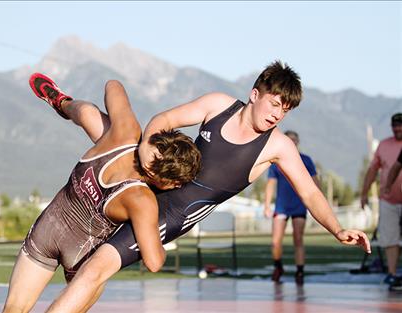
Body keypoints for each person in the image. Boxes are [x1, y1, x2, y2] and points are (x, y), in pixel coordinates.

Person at [41, 61, 370, 313]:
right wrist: (145, 152)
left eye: (285, 110)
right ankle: (62, 102)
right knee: (107, 126)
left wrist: (336, 229)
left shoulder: (278, 147)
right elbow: (162, 120)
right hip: (156, 171)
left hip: (168, 212)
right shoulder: (218, 104)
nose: (277, 115)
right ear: (255, 95)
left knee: (93, 271)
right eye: (274, 103)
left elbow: (309, 191)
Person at [2, 74, 201, 313]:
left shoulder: (126, 132)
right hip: (82, 257)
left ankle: (62, 103)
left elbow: (113, 84)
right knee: (91, 279)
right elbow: (154, 262)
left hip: (47, 230)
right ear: (167, 181)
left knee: (89, 114)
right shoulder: (142, 201)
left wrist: (142, 138)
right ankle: (63, 104)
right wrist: (165, 232)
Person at [264, 130, 318, 285]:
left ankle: (300, 271)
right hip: (281, 206)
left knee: (298, 238)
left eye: (295, 140)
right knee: (275, 241)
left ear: (298, 142)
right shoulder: (276, 160)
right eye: (290, 140)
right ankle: (278, 266)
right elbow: (271, 183)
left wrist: (320, 203)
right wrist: (267, 204)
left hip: (299, 205)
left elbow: (315, 182)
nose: (292, 142)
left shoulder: (306, 160)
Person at [361, 112, 402, 291]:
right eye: (395, 126)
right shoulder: (384, 145)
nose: (398, 129)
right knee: (390, 238)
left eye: (401, 126)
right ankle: (392, 274)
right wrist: (364, 193)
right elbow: (376, 170)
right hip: (389, 200)